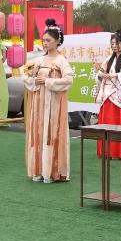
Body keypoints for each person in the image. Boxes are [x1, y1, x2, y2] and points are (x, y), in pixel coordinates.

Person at [23, 19, 73, 183]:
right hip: (38, 103)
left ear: (57, 41)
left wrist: (48, 82)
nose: (45, 43)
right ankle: (38, 170)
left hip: (53, 104)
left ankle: (52, 171)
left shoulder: (61, 61)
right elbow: (26, 76)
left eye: (48, 40)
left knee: (51, 134)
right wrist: (34, 81)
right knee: (38, 133)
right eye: (43, 40)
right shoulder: (39, 60)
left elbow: (69, 80)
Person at [95, 29, 121, 159]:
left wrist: (115, 75)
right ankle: (107, 151)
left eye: (116, 43)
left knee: (120, 124)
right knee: (107, 123)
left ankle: (120, 152)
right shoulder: (109, 59)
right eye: (112, 43)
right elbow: (100, 73)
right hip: (108, 96)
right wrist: (101, 75)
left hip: (120, 95)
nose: (114, 46)